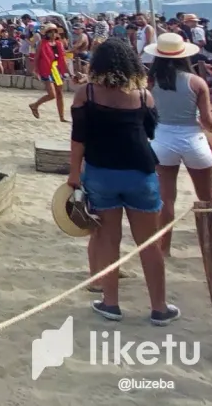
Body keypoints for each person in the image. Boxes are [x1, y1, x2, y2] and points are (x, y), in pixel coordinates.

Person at [66, 38, 177, 325]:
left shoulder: (85, 94)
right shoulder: (143, 97)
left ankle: (111, 303)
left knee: (108, 239)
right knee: (148, 243)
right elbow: (149, 133)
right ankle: (159, 307)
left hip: (101, 172)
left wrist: (74, 174)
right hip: (139, 171)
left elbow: (78, 139)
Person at [144, 32, 212, 257]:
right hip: (192, 137)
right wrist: (211, 121)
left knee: (166, 198)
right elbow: (207, 121)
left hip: (162, 138)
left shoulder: (152, 81)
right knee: (208, 198)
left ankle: (164, 248)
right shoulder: (196, 82)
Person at [30, 25, 69, 122]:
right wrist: (35, 70)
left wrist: (69, 72)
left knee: (59, 93)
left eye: (54, 32)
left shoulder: (59, 43)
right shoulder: (42, 44)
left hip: (57, 69)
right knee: (52, 94)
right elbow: (37, 57)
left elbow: (63, 59)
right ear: (47, 33)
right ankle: (35, 105)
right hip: (46, 69)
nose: (52, 34)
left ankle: (61, 117)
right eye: (50, 32)